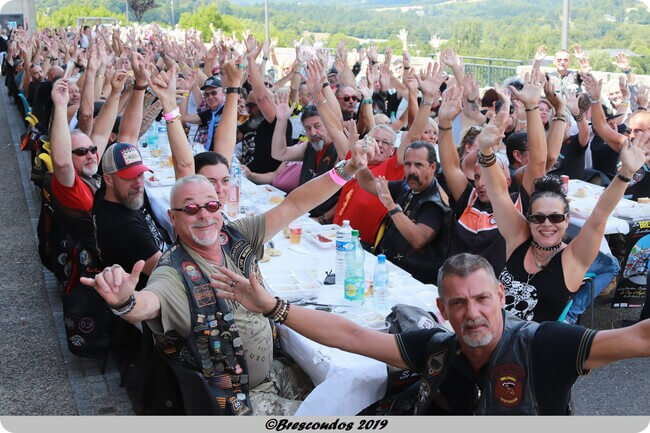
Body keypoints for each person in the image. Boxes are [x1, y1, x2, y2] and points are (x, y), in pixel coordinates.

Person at [80, 142, 376, 415]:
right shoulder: (173, 272)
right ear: (173, 217)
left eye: (211, 206)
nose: (204, 216)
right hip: (237, 399)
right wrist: (124, 302)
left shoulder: (235, 236)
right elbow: (149, 303)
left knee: (349, 398)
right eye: (191, 209)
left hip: (274, 369)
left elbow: (295, 205)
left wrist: (347, 169)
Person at [213, 252, 650, 415]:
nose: (473, 314)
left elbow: (639, 338)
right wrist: (275, 308)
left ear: (501, 296)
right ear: (441, 310)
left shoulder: (547, 344)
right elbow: (351, 337)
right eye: (458, 304)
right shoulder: (438, 347)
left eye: (482, 299)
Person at [478, 88, 649, 322]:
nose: (546, 224)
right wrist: (486, 151)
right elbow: (498, 194)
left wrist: (626, 173)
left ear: (567, 220)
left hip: (531, 350)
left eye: (555, 217)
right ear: (528, 218)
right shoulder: (518, 239)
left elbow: (599, 215)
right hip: (493, 334)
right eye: (538, 217)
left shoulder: (573, 259)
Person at [437, 84, 545, 273]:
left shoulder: (517, 206)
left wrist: (532, 107)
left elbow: (538, 162)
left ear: (507, 181)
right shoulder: (469, 199)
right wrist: (444, 123)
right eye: (477, 176)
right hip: (453, 283)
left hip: (492, 292)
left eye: (489, 176)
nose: (480, 183)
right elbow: (451, 167)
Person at [356, 140, 452, 283]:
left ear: (432, 167)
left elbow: (418, 239)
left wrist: (391, 205)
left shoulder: (435, 201)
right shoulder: (407, 186)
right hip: (388, 269)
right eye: (408, 164)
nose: (412, 170)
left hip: (413, 284)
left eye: (418, 165)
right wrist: (359, 161)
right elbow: (368, 183)